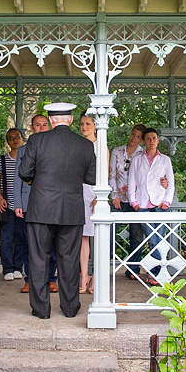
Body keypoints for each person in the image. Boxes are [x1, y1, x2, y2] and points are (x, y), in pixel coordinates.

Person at [19, 103, 95, 319]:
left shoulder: (36, 140)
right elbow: (91, 178)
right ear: (70, 120)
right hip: (71, 209)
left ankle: (41, 310)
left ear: (51, 121)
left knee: (38, 259)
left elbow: (24, 172)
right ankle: (70, 308)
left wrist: (38, 180)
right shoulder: (85, 145)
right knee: (69, 260)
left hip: (41, 208)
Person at [13, 114, 59, 294]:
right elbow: (18, 179)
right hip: (28, 202)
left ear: (50, 126)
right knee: (29, 243)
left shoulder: (56, 148)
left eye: (44, 125)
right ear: (32, 128)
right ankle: (30, 279)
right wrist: (17, 203)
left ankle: (50, 279)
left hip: (51, 202)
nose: (41, 128)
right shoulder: (23, 150)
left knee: (51, 242)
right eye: (37, 125)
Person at [128, 128, 175, 286]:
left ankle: (154, 271)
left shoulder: (165, 160)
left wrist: (167, 201)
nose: (151, 141)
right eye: (148, 138)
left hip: (159, 204)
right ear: (144, 141)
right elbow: (132, 181)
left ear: (158, 140)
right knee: (151, 238)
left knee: (159, 239)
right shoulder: (137, 159)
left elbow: (171, 182)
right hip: (142, 205)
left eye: (154, 138)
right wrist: (134, 202)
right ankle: (156, 272)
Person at [109, 124, 146, 278]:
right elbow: (111, 174)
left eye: (138, 136)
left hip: (135, 200)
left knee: (136, 235)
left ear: (142, 140)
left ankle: (133, 269)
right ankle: (103, 266)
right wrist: (114, 196)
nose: (134, 138)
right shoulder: (117, 151)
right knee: (109, 232)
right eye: (133, 134)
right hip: (118, 198)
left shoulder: (143, 154)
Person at [0, 128, 28, 281]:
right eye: (11, 138)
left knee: (22, 237)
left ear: (22, 138)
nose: (15, 140)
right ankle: (7, 268)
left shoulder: (27, 158)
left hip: (24, 205)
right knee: (6, 237)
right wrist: (0, 198)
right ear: (7, 141)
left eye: (17, 137)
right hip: (8, 204)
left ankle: (18, 267)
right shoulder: (2, 160)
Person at [78, 113, 104, 294]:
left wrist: (99, 196)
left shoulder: (101, 146)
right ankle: (84, 276)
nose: (84, 127)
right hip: (79, 192)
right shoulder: (78, 146)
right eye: (81, 124)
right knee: (83, 237)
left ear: (95, 125)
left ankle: (97, 276)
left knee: (98, 236)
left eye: (88, 123)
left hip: (96, 192)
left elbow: (105, 174)